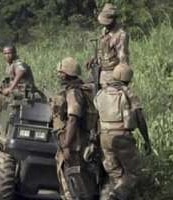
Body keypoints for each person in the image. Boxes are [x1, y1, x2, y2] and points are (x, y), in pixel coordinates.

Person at [94, 64, 152, 200]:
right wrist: (147, 140)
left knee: (116, 175)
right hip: (122, 137)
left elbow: (95, 116)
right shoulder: (128, 93)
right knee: (133, 173)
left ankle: (110, 196)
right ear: (128, 78)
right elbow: (140, 119)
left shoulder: (101, 93)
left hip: (104, 138)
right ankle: (117, 195)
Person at [52, 57, 98, 200]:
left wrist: (66, 146)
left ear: (66, 74)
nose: (58, 75)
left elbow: (73, 119)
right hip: (73, 143)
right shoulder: (74, 90)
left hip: (74, 145)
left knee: (76, 184)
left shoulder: (73, 93)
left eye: (60, 72)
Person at [0, 44, 35, 137]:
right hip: (17, 90)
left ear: (14, 53)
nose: (7, 55)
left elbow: (20, 72)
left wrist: (10, 89)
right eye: (5, 53)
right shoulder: (10, 65)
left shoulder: (18, 63)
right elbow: (8, 82)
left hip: (25, 92)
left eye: (9, 53)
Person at [88, 3, 129, 88]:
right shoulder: (104, 31)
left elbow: (123, 59)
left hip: (113, 76)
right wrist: (94, 58)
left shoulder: (121, 35)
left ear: (114, 19)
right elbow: (102, 49)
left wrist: (121, 81)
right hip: (101, 73)